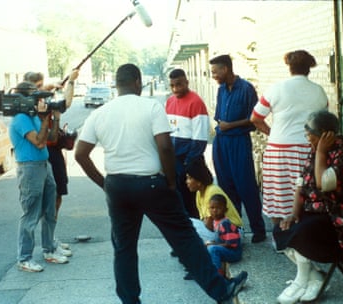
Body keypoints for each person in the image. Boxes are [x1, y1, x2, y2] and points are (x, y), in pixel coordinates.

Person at [74, 63, 248, 304]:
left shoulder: (100, 113)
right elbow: (165, 147)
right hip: (151, 184)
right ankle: (220, 290)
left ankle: (130, 301)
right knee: (184, 237)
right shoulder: (151, 107)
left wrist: (104, 184)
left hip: (117, 185)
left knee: (124, 248)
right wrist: (170, 180)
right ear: (137, 82)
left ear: (116, 84)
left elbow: (80, 154)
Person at [273, 110, 343, 303]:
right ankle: (315, 276)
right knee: (281, 228)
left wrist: (322, 153)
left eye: (310, 134)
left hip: (340, 215)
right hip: (317, 210)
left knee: (304, 231)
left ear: (326, 134)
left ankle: (301, 280)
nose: (307, 138)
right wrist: (293, 213)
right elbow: (301, 185)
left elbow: (322, 183)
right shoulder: (314, 148)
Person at [250, 50, 328, 226]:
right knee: (306, 191)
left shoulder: (274, 89)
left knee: (278, 194)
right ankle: (302, 233)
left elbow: (255, 119)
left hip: (279, 149)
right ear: (309, 68)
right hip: (309, 149)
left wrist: (273, 133)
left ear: (290, 68)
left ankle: (279, 236)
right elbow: (324, 122)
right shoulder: (319, 91)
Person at [9, 81, 70, 272]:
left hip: (44, 166)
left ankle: (49, 250)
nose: (40, 101)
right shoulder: (20, 119)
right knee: (31, 213)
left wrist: (55, 118)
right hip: (29, 168)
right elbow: (38, 142)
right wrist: (45, 119)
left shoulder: (34, 117)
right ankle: (24, 258)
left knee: (50, 209)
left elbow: (50, 139)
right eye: (36, 98)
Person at [209, 54, 266, 243]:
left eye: (215, 72)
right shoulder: (221, 90)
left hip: (239, 141)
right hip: (222, 142)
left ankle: (258, 229)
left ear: (225, 69)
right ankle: (235, 229)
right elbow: (219, 118)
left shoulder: (247, 89)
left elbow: (253, 119)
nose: (214, 76)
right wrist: (223, 128)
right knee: (226, 187)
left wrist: (231, 125)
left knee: (246, 186)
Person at [24, 69, 79, 253]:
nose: (41, 91)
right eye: (37, 87)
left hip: (54, 154)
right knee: (44, 203)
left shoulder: (44, 102)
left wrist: (70, 82)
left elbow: (66, 102)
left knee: (57, 198)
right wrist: (48, 89)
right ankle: (45, 245)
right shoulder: (28, 107)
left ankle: (51, 238)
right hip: (41, 156)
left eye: (42, 86)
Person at [165, 68, 210, 218]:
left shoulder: (196, 102)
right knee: (178, 202)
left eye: (179, 84)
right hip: (174, 162)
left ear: (186, 82)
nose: (175, 89)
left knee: (193, 205)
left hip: (189, 162)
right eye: (172, 85)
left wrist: (188, 165)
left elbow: (200, 139)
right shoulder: (170, 102)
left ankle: (198, 237)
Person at [185, 157, 243, 243]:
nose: (187, 182)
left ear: (199, 181)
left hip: (233, 233)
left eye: (189, 178)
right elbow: (205, 221)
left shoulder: (212, 191)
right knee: (188, 224)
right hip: (219, 231)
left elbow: (209, 225)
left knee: (189, 225)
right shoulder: (199, 193)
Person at [205, 194, 243, 278]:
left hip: (234, 253)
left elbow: (230, 244)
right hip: (225, 248)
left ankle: (218, 275)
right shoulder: (215, 221)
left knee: (212, 249)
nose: (214, 211)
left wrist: (213, 245)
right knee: (204, 245)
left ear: (225, 210)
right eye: (212, 208)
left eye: (218, 208)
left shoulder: (225, 223)